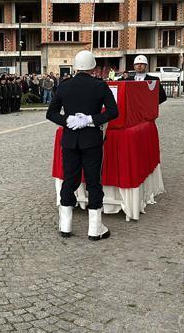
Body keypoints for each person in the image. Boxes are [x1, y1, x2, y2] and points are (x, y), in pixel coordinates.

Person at [46, 50, 118, 241]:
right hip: (91, 140)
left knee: (70, 179)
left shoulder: (64, 86)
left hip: (70, 140)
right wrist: (91, 120)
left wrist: (66, 120)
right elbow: (113, 112)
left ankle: (65, 225)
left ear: (75, 67)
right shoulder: (100, 86)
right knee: (93, 181)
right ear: (93, 67)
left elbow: (50, 114)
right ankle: (95, 229)